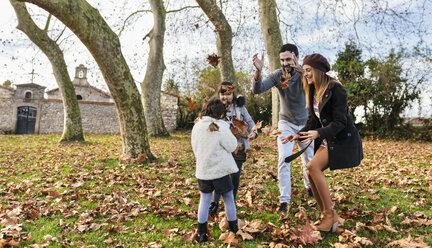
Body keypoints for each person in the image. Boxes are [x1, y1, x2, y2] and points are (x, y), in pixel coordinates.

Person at [282, 53, 363, 232]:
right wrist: (299, 134)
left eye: (309, 70)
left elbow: (340, 123)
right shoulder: (312, 89)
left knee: (312, 168)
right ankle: (328, 218)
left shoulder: (336, 89)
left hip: (341, 140)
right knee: (310, 171)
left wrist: (318, 133)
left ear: (318, 71)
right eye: (305, 71)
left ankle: (329, 215)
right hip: (328, 139)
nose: (306, 74)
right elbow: (313, 119)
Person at [252, 43, 314, 214]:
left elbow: (316, 82)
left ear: (296, 57)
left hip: (305, 123)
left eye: (288, 59)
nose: (285, 63)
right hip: (286, 123)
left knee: (309, 160)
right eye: (282, 60)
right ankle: (284, 201)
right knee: (284, 158)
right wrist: (258, 71)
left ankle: (310, 187)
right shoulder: (278, 75)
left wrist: (300, 69)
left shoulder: (305, 73)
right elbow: (257, 89)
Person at [191, 97, 240, 243]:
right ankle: (233, 229)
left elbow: (195, 147)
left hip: (204, 170)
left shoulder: (197, 126)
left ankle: (201, 233)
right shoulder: (221, 126)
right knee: (228, 198)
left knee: (205, 199)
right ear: (220, 113)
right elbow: (232, 146)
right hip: (220, 171)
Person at [208, 81, 258, 216]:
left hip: (239, 146)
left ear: (233, 95)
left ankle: (231, 202)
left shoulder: (240, 108)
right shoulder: (214, 108)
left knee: (234, 176)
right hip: (221, 147)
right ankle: (214, 203)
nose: (225, 97)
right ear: (218, 95)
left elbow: (250, 122)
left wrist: (254, 132)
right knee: (219, 175)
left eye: (228, 94)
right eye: (222, 94)